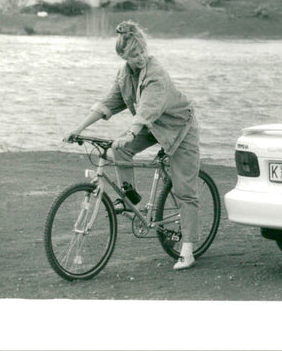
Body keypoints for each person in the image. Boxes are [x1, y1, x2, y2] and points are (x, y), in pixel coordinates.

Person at [65, 21, 201, 271]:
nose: (139, 58)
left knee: (184, 191)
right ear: (123, 56)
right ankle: (131, 201)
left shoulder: (156, 74)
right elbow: (108, 103)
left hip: (179, 128)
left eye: (141, 53)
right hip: (151, 126)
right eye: (133, 55)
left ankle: (188, 249)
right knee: (119, 150)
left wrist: (130, 133)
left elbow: (147, 109)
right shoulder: (124, 75)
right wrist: (79, 128)